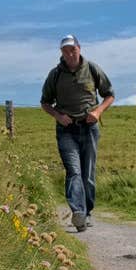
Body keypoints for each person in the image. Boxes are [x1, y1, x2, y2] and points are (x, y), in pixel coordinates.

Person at [40, 34, 114, 232]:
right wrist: (58, 116)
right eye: (65, 50)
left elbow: (109, 94)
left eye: (72, 49)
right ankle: (78, 213)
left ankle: (87, 211)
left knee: (87, 174)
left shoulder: (92, 69)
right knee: (74, 171)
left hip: (89, 127)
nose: (70, 53)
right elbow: (45, 103)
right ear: (61, 53)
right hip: (66, 130)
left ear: (79, 48)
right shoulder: (55, 74)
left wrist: (97, 112)